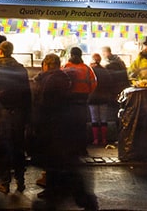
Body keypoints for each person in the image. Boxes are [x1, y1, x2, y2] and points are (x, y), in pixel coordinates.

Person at [31, 54, 98, 210]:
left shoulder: (51, 80)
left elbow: (45, 105)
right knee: (60, 165)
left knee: (64, 167)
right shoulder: (61, 78)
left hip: (55, 130)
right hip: (61, 130)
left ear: (46, 65)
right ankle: (56, 193)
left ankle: (83, 200)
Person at [0, 41, 32, 194]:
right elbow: (27, 94)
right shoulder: (21, 69)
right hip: (18, 114)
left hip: (0, 114)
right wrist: (27, 115)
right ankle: (20, 179)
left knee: (2, 148)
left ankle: (4, 181)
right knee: (18, 146)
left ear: (0, 52)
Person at [95, 48, 130, 146]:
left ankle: (119, 138)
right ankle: (122, 138)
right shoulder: (119, 62)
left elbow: (109, 81)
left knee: (117, 116)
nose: (103, 55)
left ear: (107, 52)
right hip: (123, 93)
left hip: (115, 94)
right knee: (122, 116)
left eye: (103, 53)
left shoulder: (110, 66)